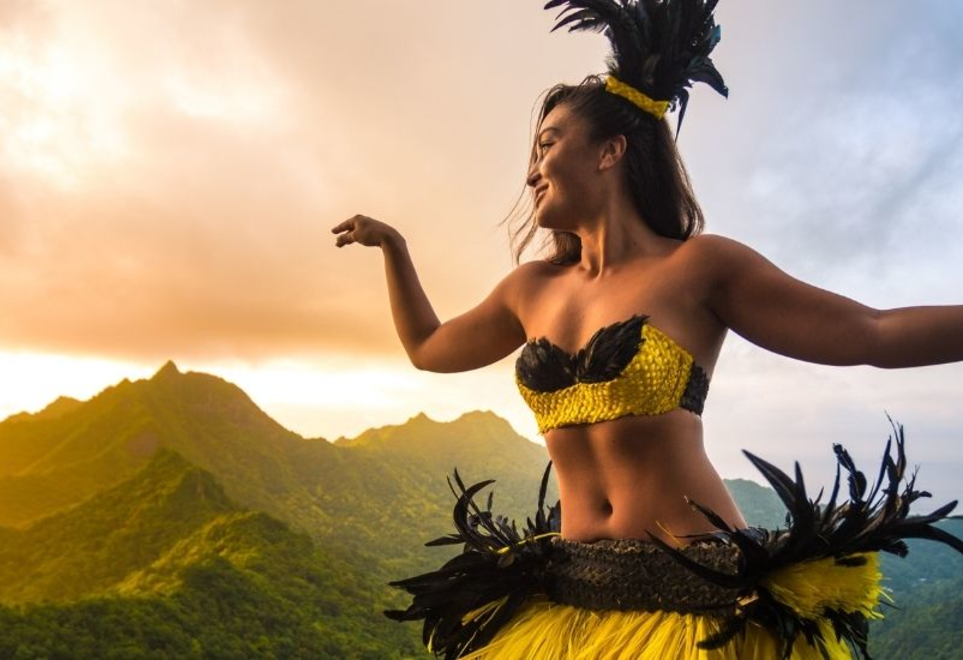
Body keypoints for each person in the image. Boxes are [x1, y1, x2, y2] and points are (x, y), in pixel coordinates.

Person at [331, 1, 963, 659]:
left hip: (700, 613)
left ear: (611, 151)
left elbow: (871, 333)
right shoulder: (529, 290)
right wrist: (395, 248)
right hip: (573, 608)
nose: (530, 171)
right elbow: (428, 349)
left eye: (547, 145)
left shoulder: (699, 268)